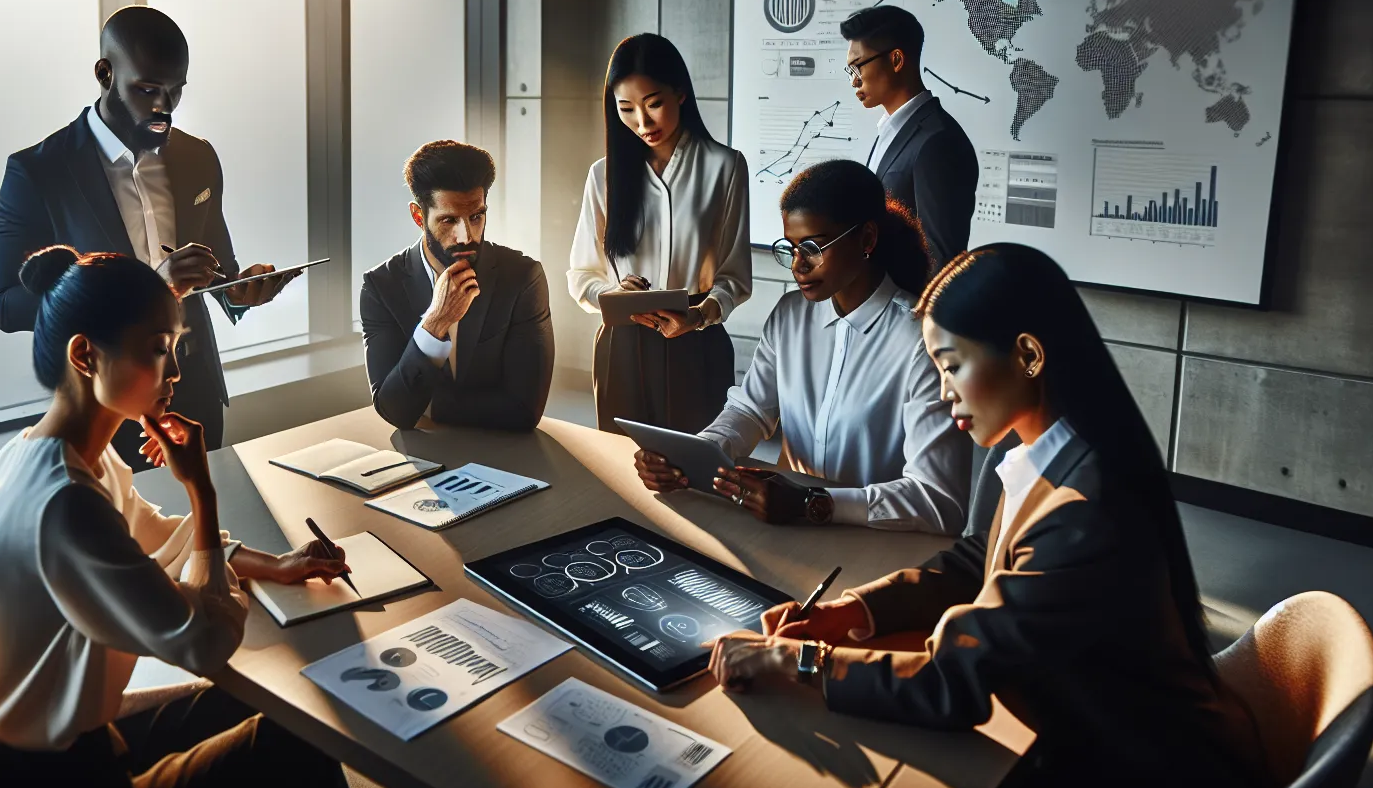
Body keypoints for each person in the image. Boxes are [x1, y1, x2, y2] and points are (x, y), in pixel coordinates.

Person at [703, 243, 1271, 788]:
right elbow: (979, 561)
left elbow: (955, 684)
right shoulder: (1047, 448)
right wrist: (855, 611)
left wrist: (798, 661)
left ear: (1028, 355)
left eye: (951, 366)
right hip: (1100, 739)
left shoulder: (1085, 509)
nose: (943, 391)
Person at [0, 246, 368, 788]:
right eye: (158, 349)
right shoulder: (66, 503)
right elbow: (204, 642)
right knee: (294, 743)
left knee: (285, 705)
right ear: (86, 355)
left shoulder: (41, 454)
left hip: (42, 747)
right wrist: (202, 492)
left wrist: (272, 564)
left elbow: (154, 538)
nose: (176, 371)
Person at [0, 5, 296, 460]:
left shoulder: (197, 157)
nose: (163, 107)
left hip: (195, 392)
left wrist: (239, 292)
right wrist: (147, 289)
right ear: (105, 74)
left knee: (203, 506)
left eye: (175, 91)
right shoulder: (39, 171)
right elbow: (3, 303)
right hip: (106, 404)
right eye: (147, 89)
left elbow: (217, 271)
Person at [633, 160, 970, 532]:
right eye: (791, 248)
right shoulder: (790, 315)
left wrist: (814, 503)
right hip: (787, 527)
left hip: (876, 540)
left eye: (813, 247)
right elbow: (750, 410)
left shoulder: (923, 339)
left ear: (867, 239)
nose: (798, 266)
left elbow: (940, 501)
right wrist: (693, 456)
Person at [569, 33, 751, 434]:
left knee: (696, 459)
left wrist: (699, 316)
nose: (642, 122)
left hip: (696, 341)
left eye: (653, 104)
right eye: (626, 109)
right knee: (621, 459)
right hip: (622, 343)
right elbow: (581, 274)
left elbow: (735, 276)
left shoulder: (725, 167)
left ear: (680, 93)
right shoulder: (603, 175)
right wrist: (611, 295)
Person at [361, 140, 554, 431]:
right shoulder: (380, 287)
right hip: (415, 453)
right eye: (449, 220)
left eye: (476, 217)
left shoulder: (523, 277)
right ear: (418, 216)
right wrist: (435, 323)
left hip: (504, 450)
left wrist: (429, 406)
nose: (466, 236)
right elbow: (395, 411)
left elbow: (524, 410)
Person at [842, 5, 976, 276]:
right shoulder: (892, 129)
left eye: (858, 67)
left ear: (896, 60)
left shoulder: (938, 142)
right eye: (850, 70)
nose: (854, 82)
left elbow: (940, 259)